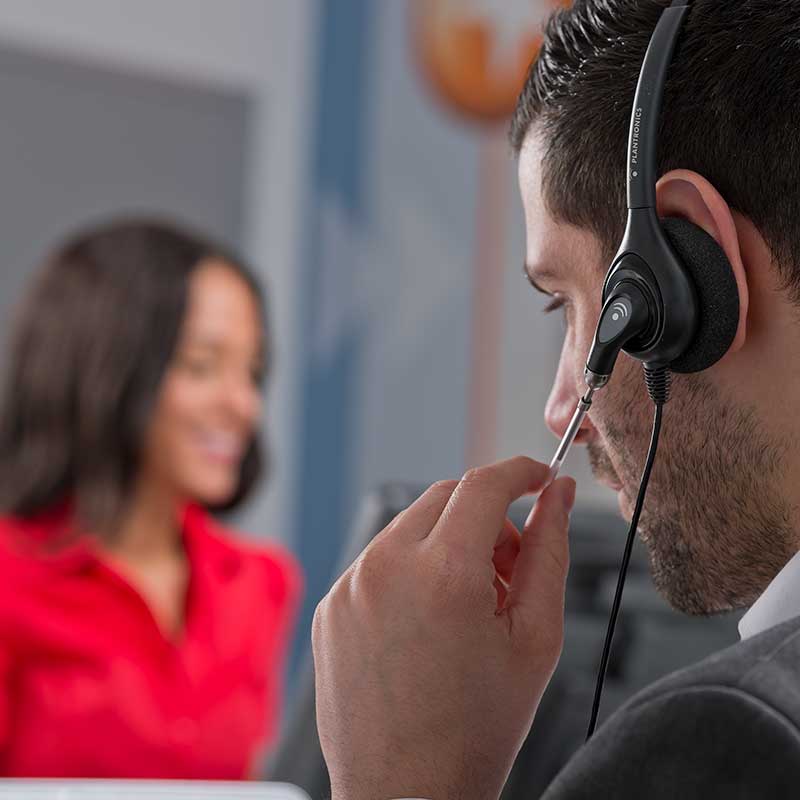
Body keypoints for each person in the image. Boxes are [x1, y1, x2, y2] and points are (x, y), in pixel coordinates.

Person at [311, 0, 800, 797]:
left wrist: (401, 779)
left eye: (572, 306)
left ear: (695, 275)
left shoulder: (732, 737)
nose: (560, 405)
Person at [0, 219, 301, 778]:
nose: (244, 406)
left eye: (253, 372)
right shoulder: (10, 578)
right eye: (201, 366)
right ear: (105, 367)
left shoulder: (260, 584)